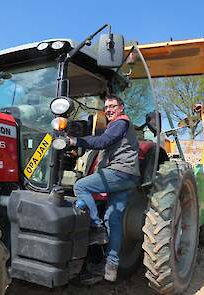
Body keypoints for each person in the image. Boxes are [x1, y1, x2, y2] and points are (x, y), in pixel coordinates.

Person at [68, 94, 140, 282]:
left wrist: (77, 141)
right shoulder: (119, 125)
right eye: (106, 107)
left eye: (112, 106)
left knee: (81, 186)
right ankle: (110, 267)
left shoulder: (120, 123)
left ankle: (96, 227)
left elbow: (102, 142)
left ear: (121, 108)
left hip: (119, 173)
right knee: (113, 220)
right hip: (128, 177)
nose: (108, 110)